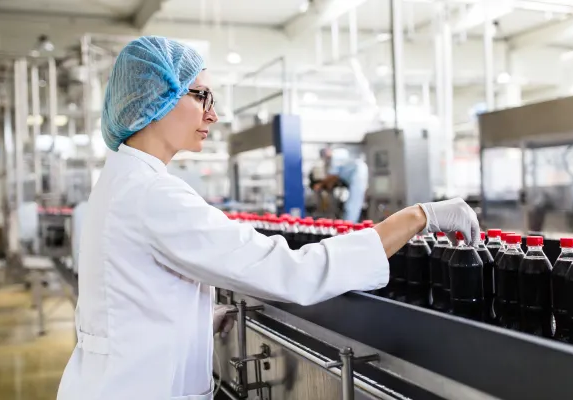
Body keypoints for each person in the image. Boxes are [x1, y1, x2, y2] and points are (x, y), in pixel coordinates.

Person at [57, 36, 480, 400]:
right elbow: (289, 272)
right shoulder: (152, 194)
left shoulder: (121, 181)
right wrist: (414, 218)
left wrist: (197, 320)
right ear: (158, 97)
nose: (212, 114)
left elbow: (132, 298)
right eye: (200, 95)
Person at [314, 147, 368, 222]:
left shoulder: (335, 157)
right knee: (352, 203)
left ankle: (349, 225)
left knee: (353, 204)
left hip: (357, 175)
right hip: (353, 176)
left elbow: (333, 175)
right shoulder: (340, 152)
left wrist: (320, 184)